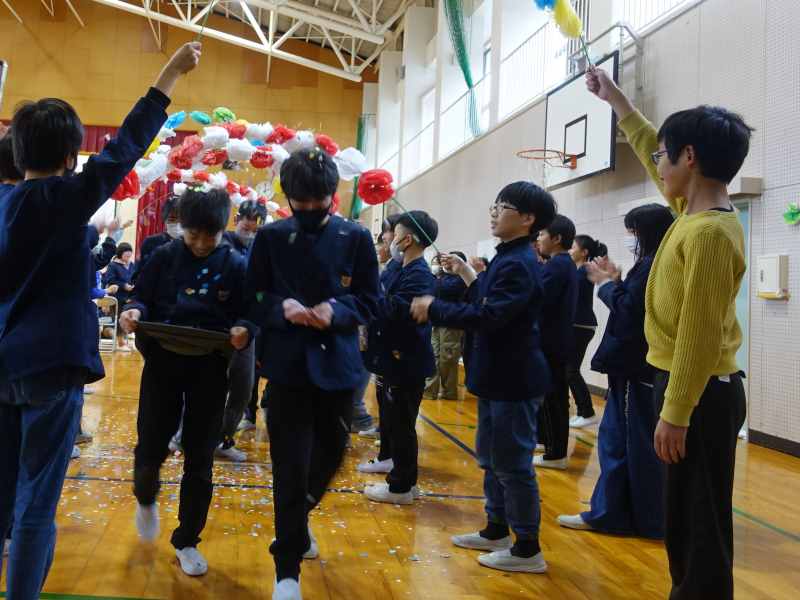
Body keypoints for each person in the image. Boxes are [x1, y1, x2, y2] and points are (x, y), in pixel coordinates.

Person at [0, 41, 201, 598]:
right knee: (35, 507)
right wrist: (170, 74)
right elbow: (126, 145)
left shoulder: (4, 204)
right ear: (72, 156)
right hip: (51, 367)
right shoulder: (67, 197)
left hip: (4, 365)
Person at [587, 67, 750, 599]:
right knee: (682, 519)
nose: (657, 164)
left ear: (690, 158)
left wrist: (676, 413)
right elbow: (651, 153)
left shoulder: (710, 233)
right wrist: (618, 102)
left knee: (699, 526)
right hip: (686, 389)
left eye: (664, 155)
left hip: (700, 396)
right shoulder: (689, 212)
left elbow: (700, 337)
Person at [245, 148, 379, 600]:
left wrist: (336, 311)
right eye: (299, 203)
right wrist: (280, 308)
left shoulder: (355, 237)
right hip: (287, 369)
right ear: (287, 196)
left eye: (317, 202)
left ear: (332, 195)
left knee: (330, 458)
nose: (308, 210)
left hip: (339, 369)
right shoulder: (270, 237)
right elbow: (252, 296)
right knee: (289, 468)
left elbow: (371, 301)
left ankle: (297, 520)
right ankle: (286, 570)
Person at [410, 181, 555, 575]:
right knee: (492, 459)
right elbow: (485, 300)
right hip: (495, 377)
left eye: (503, 206)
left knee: (513, 464)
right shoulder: (506, 257)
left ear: (527, 219)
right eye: (495, 204)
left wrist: (434, 308)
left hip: (514, 379)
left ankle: (527, 548)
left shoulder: (519, 262)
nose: (494, 212)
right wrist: (466, 273)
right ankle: (496, 530)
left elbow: (490, 316)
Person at [120, 188, 256, 577]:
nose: (199, 244)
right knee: (150, 445)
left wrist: (244, 328)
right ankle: (145, 496)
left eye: (209, 236)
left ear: (222, 229)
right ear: (182, 226)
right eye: (192, 234)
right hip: (162, 361)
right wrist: (133, 312)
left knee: (200, 456)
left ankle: (187, 540)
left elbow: (249, 312)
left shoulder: (236, 264)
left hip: (210, 367)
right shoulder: (163, 256)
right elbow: (140, 298)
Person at [557, 204, 674, 538]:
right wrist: (617, 280)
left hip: (635, 368)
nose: (629, 238)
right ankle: (629, 515)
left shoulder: (653, 265)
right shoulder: (651, 263)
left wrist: (606, 284)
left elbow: (631, 310)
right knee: (626, 443)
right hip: (634, 367)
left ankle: (620, 515)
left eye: (632, 232)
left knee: (625, 444)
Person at [361, 211, 438, 505]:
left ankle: (401, 487)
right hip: (391, 359)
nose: (387, 238)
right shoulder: (401, 267)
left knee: (403, 425)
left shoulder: (419, 274)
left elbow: (396, 311)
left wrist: (370, 292)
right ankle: (401, 476)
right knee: (394, 421)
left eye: (393, 233)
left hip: (406, 361)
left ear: (406, 240)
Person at [214, 199, 267, 462]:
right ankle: (187, 435)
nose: (251, 227)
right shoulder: (222, 244)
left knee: (243, 389)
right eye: (247, 221)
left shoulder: (261, 247)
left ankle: (223, 439)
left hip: (248, 329)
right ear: (237, 219)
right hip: (219, 328)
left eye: (256, 224)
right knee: (212, 386)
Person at [534, 215, 578, 470]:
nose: (538, 238)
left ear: (557, 238)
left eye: (542, 234)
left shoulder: (558, 265)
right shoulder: (560, 264)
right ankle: (548, 443)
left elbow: (538, 300)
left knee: (553, 399)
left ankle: (555, 453)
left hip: (551, 342)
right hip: (555, 340)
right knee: (552, 397)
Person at [356, 215, 403, 443]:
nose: (383, 237)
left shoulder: (405, 267)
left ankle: (388, 438)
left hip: (392, 341)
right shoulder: (391, 265)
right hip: (377, 334)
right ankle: (384, 431)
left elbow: (388, 302)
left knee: (392, 394)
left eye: (388, 231)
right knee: (381, 389)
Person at [567, 234, 607, 428]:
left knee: (571, 370)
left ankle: (587, 412)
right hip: (580, 325)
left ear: (584, 252)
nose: (569, 250)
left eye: (572, 247)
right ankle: (584, 411)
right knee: (569, 370)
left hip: (581, 325)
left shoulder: (584, 270)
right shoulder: (579, 270)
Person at [424, 252, 467, 400]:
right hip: (436, 323)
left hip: (451, 324)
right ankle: (430, 391)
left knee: (448, 359)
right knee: (433, 356)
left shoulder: (460, 279)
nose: (445, 263)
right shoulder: (442, 278)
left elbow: (444, 290)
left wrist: (434, 278)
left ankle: (449, 392)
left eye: (449, 260)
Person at [132, 193, 182, 283]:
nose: (177, 224)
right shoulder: (151, 242)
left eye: (182, 220)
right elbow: (139, 274)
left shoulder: (193, 245)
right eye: (172, 219)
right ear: (165, 220)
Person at [103, 242, 136, 350]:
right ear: (120, 254)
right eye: (126, 255)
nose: (128, 258)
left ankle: (127, 341)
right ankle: (120, 343)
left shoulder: (132, 265)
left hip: (129, 297)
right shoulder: (113, 265)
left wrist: (133, 285)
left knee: (128, 319)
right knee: (118, 319)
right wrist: (123, 285)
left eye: (129, 255)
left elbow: (135, 277)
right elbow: (110, 280)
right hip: (117, 297)